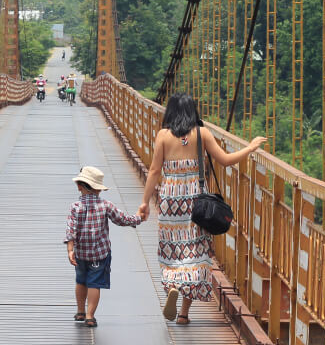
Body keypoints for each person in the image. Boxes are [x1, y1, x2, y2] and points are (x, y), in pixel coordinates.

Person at [137, 94, 265, 324]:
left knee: (173, 250)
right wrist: (251, 148)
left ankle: (174, 285)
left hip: (170, 200)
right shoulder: (202, 133)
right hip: (196, 201)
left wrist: (145, 201)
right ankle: (184, 314)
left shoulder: (163, 136)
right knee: (195, 252)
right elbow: (225, 160)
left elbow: (155, 170)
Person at [64, 165, 143, 328]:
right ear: (98, 190)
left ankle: (80, 311)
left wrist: (70, 250)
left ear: (80, 186)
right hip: (100, 254)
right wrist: (138, 218)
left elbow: (70, 230)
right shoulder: (105, 205)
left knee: (81, 281)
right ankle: (90, 315)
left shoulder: (75, 207)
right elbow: (121, 219)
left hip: (80, 253)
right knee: (95, 283)